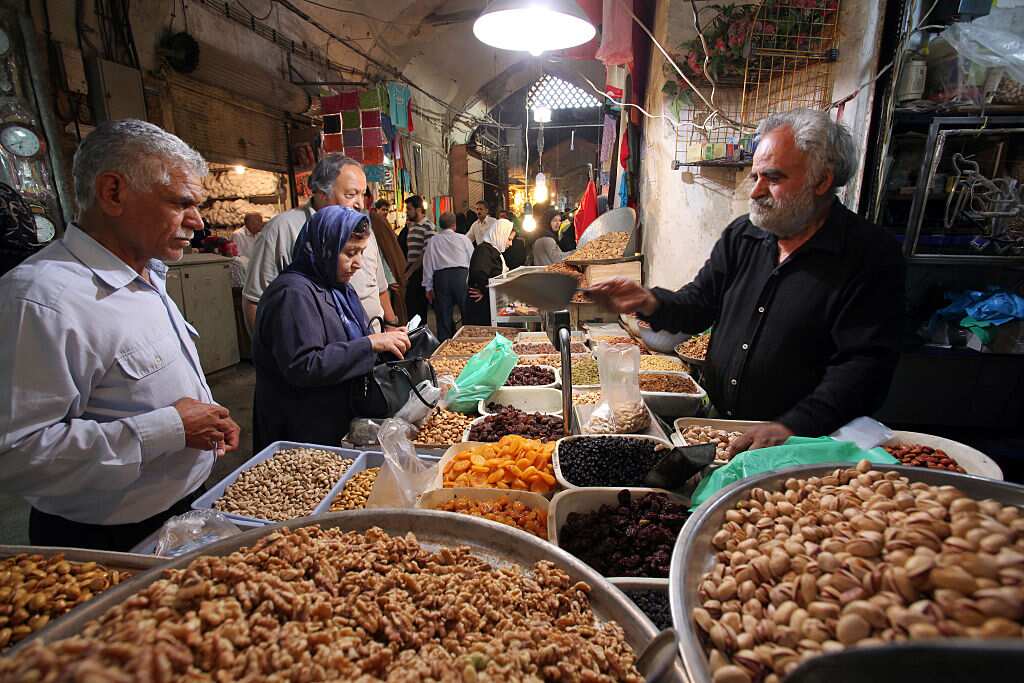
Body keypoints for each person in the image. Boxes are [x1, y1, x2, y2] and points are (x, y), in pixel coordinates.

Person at [589, 109, 905, 456]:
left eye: (772, 177)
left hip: (807, 447)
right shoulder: (744, 235)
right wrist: (649, 301)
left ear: (822, 181)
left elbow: (864, 368)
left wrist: (791, 426)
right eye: (754, 176)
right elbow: (699, 303)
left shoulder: (869, 255)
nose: (755, 192)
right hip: (722, 428)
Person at [0, 119, 241, 551]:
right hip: (106, 540)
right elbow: (16, 454)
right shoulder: (42, 299)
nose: (197, 221)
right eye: (181, 203)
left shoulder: (146, 273)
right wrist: (170, 428)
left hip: (183, 510)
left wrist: (204, 420)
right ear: (113, 193)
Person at [252, 206, 411, 451]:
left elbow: (351, 336)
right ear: (323, 247)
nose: (357, 263)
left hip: (335, 418)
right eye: (349, 253)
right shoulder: (293, 294)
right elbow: (304, 365)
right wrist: (370, 344)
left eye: (361, 252)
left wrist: (384, 337)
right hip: (301, 429)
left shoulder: (338, 287)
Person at [242, 155, 399, 333]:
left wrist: (391, 323)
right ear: (322, 193)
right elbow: (255, 300)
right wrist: (267, 354)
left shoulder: (362, 226)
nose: (360, 203)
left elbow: (378, 286)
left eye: (362, 194)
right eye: (351, 194)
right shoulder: (283, 229)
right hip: (323, 353)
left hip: (374, 345)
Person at [422, 212, 474, 340]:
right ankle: (469, 340)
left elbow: (428, 264)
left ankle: (445, 345)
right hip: (462, 277)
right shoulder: (463, 239)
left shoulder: (433, 240)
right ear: (454, 225)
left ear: (440, 225)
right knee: (467, 312)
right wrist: (473, 282)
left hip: (442, 279)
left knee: (443, 315)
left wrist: (428, 287)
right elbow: (473, 260)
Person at [465, 218, 514, 325]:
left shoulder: (494, 251)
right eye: (509, 239)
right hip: (480, 308)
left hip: (490, 304)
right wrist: (485, 291)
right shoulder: (483, 250)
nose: (510, 244)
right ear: (500, 235)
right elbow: (479, 274)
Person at [370, 198, 408, 324]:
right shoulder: (375, 222)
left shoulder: (381, 224)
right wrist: (390, 279)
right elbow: (380, 256)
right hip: (383, 280)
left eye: (387, 210)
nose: (385, 212)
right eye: (383, 209)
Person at [403, 195, 436, 322]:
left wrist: (410, 272)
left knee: (419, 310)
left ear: (418, 210)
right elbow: (411, 252)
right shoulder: (412, 227)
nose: (407, 212)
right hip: (412, 272)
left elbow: (426, 254)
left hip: (421, 273)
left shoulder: (428, 226)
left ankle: (421, 339)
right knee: (411, 309)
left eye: (409, 209)